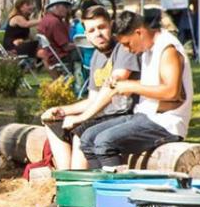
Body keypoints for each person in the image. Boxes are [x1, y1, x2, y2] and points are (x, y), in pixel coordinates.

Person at [79, 10, 193, 170]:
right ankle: (100, 184)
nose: (126, 50)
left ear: (139, 32)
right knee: (87, 139)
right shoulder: (147, 50)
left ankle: (118, 186)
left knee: (104, 143)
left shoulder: (168, 49)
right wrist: (123, 84)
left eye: (127, 44)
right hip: (144, 115)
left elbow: (172, 92)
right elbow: (152, 84)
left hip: (167, 123)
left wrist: (131, 86)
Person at [38, 4, 141, 174]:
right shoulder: (96, 57)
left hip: (125, 113)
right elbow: (93, 99)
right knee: (54, 124)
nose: (98, 34)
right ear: (86, 34)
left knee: (81, 133)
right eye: (92, 30)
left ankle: (79, 184)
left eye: (102, 27)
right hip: (103, 114)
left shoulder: (123, 48)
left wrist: (81, 118)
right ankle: (66, 181)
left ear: (111, 25)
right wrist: (62, 111)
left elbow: (114, 86)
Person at [37, 0, 76, 68]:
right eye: (65, 6)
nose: (67, 9)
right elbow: (66, 47)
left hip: (49, 55)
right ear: (56, 7)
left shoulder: (45, 19)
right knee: (85, 52)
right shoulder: (55, 22)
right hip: (59, 56)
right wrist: (81, 44)